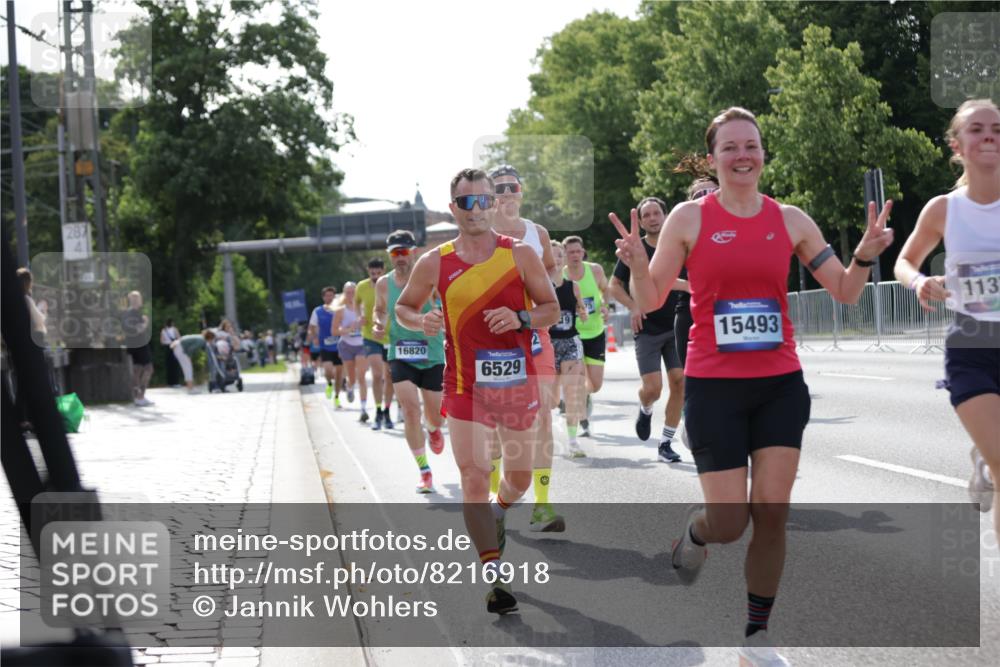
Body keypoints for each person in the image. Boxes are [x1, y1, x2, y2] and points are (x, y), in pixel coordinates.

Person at [611, 106, 893, 664]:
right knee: (729, 523)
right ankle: (694, 533)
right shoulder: (688, 220)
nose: (743, 155)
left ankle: (757, 638)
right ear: (713, 159)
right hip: (714, 387)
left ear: (763, 153)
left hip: (780, 384)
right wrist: (640, 264)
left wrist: (863, 254)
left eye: (752, 145)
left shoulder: (790, 219)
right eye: (730, 148)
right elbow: (648, 299)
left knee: (772, 513)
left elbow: (844, 290)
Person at [396, 168, 558, 614]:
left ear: (493, 204)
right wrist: (420, 320)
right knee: (472, 476)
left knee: (520, 478)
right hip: (464, 385)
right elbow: (404, 306)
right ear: (454, 209)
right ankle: (495, 577)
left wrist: (522, 318)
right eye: (467, 202)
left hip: (515, 382)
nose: (477, 209)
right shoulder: (435, 261)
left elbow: (550, 308)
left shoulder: (520, 255)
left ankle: (502, 508)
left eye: (483, 200)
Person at [894, 99, 999, 531]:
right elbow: (904, 261)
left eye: (998, 128)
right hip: (972, 346)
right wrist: (920, 282)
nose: (990, 135)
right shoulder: (944, 209)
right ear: (957, 145)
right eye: (977, 129)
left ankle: (985, 459)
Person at [487, 164, 570, 532]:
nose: (506, 193)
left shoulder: (538, 232)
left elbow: (553, 271)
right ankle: (493, 502)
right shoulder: (480, 235)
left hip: (535, 336)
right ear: (490, 196)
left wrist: (540, 287)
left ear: (521, 191)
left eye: (512, 186)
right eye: (498, 188)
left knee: (543, 418)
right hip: (491, 342)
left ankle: (542, 506)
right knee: (492, 426)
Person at [610, 196, 687, 462]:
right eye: (648, 215)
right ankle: (645, 408)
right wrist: (633, 306)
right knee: (653, 389)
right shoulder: (636, 248)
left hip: (677, 324)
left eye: (657, 213)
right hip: (648, 327)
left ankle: (665, 443)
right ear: (641, 221)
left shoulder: (678, 246)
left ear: (665, 216)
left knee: (680, 381)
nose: (653, 218)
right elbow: (614, 286)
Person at [372, 230, 446, 493]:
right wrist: (379, 323)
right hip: (401, 353)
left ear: (413, 251)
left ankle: (434, 429)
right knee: (410, 410)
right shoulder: (383, 284)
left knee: (434, 415)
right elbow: (380, 309)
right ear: (390, 256)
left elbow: (446, 306)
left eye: (404, 252)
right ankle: (424, 470)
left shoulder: (430, 279)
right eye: (395, 253)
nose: (400, 258)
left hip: (433, 352)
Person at [562, 235, 609, 437]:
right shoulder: (560, 275)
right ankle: (582, 421)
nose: (575, 255)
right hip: (573, 336)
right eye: (570, 252)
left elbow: (606, 290)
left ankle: (586, 397)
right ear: (564, 254)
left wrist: (606, 306)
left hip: (596, 333)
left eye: (578, 251)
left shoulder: (595, 270)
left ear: (583, 252)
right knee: (578, 381)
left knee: (596, 385)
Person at [548, 240, 588, 459]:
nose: (557, 260)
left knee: (572, 394)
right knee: (553, 400)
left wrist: (583, 313)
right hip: (548, 345)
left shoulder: (573, 286)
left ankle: (573, 441)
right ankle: (552, 428)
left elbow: (581, 309)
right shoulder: (539, 286)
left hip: (570, 342)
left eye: (559, 256)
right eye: (552, 256)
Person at [356, 258, 395, 428]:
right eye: (372, 273)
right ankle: (378, 412)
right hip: (370, 336)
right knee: (377, 374)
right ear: (368, 271)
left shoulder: (391, 284)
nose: (375, 276)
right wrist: (359, 316)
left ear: (383, 270)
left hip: (391, 336)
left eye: (378, 273)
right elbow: (356, 303)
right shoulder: (362, 286)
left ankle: (387, 411)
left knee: (390, 377)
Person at [308, 287, 345, 407]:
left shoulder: (340, 310)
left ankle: (337, 397)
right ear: (323, 297)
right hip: (325, 346)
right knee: (328, 370)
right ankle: (329, 384)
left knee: (339, 374)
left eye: (331, 296)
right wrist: (314, 337)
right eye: (327, 296)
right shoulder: (317, 311)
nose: (329, 298)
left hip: (339, 346)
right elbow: (312, 326)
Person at [331, 282, 363, 405]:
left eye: (353, 292)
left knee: (361, 374)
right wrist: (348, 330)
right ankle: (350, 386)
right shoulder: (340, 311)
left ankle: (363, 405)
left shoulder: (364, 308)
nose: (350, 295)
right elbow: (334, 331)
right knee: (352, 376)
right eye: (348, 292)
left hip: (361, 345)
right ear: (344, 294)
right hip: (346, 345)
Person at [122, 291, 154, 407]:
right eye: (140, 298)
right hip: (140, 345)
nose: (141, 301)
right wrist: (146, 322)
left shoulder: (126, 313)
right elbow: (138, 329)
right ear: (136, 300)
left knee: (137, 370)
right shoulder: (134, 314)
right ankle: (141, 396)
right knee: (149, 369)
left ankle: (137, 397)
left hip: (132, 345)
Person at [160, 319, 182, 387]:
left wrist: (167, 342)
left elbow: (162, 341)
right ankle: (176, 382)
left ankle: (170, 383)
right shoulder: (174, 329)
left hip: (167, 348)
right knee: (175, 365)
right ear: (172, 323)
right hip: (174, 346)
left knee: (169, 366)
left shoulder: (163, 330)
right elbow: (179, 338)